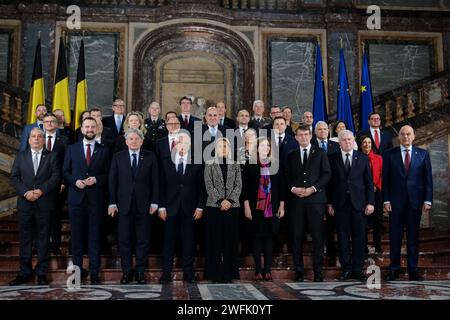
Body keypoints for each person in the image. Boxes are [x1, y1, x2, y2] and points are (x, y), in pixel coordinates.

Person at [9, 127, 60, 285]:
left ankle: (41, 272)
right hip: (25, 204)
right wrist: (26, 193)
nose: (37, 139)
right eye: (33, 136)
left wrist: (41, 191)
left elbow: (56, 176)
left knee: (43, 239)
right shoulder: (21, 156)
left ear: (44, 140)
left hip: (44, 204)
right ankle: (24, 272)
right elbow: (14, 177)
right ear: (29, 139)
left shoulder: (52, 156)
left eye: (40, 136)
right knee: (25, 239)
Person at [108, 128, 159, 284]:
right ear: (126, 141)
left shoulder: (150, 157)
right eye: (131, 139)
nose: (134, 141)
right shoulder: (118, 157)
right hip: (124, 205)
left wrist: (155, 201)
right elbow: (112, 181)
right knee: (124, 240)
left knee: (142, 240)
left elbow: (155, 181)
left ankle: (140, 272)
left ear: (142, 141)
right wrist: (112, 202)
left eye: (137, 139)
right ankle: (127, 272)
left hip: (144, 206)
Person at [63, 117, 110, 285]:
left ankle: (95, 273)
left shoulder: (103, 150)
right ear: (82, 129)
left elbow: (108, 175)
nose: (90, 129)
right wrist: (75, 181)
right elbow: (65, 172)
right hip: (76, 199)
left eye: (92, 127)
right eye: (87, 126)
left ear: (97, 129)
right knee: (76, 238)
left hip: (95, 200)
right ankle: (77, 272)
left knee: (94, 238)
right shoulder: (71, 149)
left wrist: (96, 179)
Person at [383, 125, 433, 281]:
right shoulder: (390, 154)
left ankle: (413, 269)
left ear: (414, 136)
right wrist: (386, 200)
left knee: (413, 238)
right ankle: (394, 269)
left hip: (415, 203)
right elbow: (385, 180)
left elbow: (428, 180)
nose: (406, 137)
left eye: (408, 134)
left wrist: (428, 200)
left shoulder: (423, 154)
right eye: (403, 134)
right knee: (395, 237)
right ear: (399, 137)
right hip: (395, 204)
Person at [327, 130, 374, 281]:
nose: (347, 142)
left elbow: (368, 182)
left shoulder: (362, 157)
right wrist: (329, 203)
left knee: (359, 238)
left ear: (353, 140)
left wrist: (371, 202)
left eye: (349, 139)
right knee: (342, 238)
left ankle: (357, 269)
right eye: (344, 140)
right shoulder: (332, 158)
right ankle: (346, 268)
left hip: (359, 204)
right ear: (339, 142)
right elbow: (329, 184)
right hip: (340, 205)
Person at [158, 132, 205, 284]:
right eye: (179, 142)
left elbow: (201, 188)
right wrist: (161, 206)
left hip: (190, 208)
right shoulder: (165, 161)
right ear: (175, 144)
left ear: (190, 145)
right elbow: (161, 186)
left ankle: (188, 272)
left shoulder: (197, 162)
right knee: (168, 241)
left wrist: (200, 207)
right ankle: (166, 272)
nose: (182, 146)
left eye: (185, 143)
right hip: (170, 207)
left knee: (188, 241)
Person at [286, 125, 331, 282]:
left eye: (306, 134)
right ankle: (298, 272)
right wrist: (292, 189)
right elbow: (286, 177)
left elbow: (327, 174)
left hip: (316, 201)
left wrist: (313, 188)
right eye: (300, 135)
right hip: (297, 202)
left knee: (318, 238)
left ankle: (318, 272)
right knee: (296, 237)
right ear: (296, 137)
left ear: (311, 136)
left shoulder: (320, 153)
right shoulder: (291, 155)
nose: (303, 137)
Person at [243, 137, 285, 281]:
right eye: (262, 145)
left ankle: (267, 270)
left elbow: (280, 187)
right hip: (255, 207)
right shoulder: (250, 164)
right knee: (256, 238)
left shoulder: (275, 164)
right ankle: (258, 271)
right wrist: (246, 206)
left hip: (271, 207)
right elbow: (245, 188)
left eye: (268, 146)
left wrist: (282, 205)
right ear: (257, 147)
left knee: (268, 238)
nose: (265, 148)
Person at [204, 138, 242, 283]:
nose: (223, 147)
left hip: (232, 208)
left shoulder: (236, 164)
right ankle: (214, 274)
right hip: (214, 207)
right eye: (220, 145)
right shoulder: (209, 164)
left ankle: (229, 273)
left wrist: (229, 201)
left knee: (230, 242)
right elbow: (209, 184)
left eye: (226, 145)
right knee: (214, 241)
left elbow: (238, 185)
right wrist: (220, 200)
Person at [311, 121, 340, 265]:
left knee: (331, 221)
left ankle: (331, 250)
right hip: (315, 190)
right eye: (320, 129)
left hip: (333, 188)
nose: (323, 131)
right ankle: (318, 250)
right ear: (315, 131)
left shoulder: (335, 146)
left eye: (325, 129)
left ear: (328, 131)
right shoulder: (310, 144)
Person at [42, 113, 69, 256]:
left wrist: (64, 182)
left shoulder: (64, 140)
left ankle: (56, 245)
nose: (50, 124)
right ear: (43, 124)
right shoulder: (37, 138)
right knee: (40, 216)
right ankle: (40, 245)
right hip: (40, 185)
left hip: (58, 184)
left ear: (57, 124)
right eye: (47, 121)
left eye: (52, 121)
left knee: (55, 216)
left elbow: (67, 163)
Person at [358, 135, 383, 255]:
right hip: (362, 193)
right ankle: (363, 246)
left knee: (377, 219)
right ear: (360, 144)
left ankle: (377, 244)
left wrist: (375, 186)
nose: (367, 145)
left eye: (369, 142)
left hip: (377, 192)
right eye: (364, 142)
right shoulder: (357, 157)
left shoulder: (379, 158)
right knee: (363, 220)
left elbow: (382, 174)